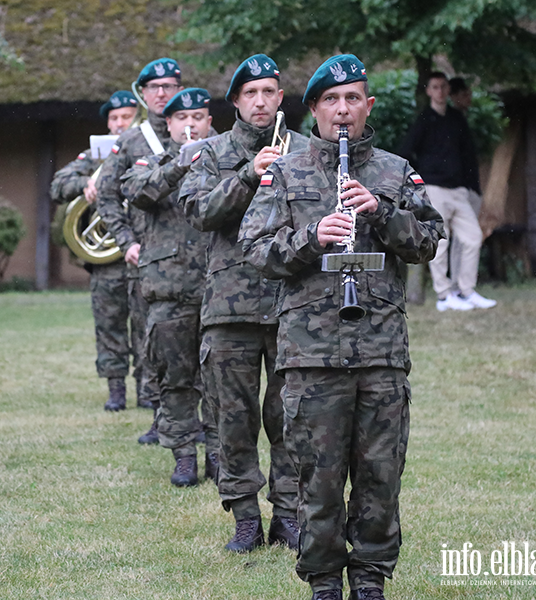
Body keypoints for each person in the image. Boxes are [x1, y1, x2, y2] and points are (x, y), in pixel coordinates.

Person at [239, 54, 444, 600]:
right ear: (314, 109)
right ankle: (325, 579)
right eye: (331, 100)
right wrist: (312, 238)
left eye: (353, 98)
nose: (343, 109)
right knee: (319, 479)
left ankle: (371, 576)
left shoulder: (396, 171)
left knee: (381, 476)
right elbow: (254, 250)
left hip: (380, 352)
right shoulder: (285, 172)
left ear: (368, 105)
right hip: (311, 356)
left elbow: (427, 240)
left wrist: (380, 212)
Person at [179, 54, 306, 552]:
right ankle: (246, 518)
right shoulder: (210, 152)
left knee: (290, 416)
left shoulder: (306, 149)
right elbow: (198, 211)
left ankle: (289, 515)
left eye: (269, 92)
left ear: (281, 98)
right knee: (232, 419)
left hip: (290, 304)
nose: (260, 101)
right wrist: (248, 175)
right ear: (235, 101)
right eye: (250, 93)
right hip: (229, 310)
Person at [120, 87, 215, 486]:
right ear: (170, 124)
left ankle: (219, 455)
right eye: (182, 119)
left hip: (218, 290)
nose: (190, 125)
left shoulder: (226, 164)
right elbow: (137, 191)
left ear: (211, 123)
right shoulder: (150, 162)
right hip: (169, 291)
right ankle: (182, 456)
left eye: (198, 118)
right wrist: (180, 164)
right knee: (174, 377)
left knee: (221, 382)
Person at [95, 58, 184, 444]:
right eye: (155, 88)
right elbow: (107, 195)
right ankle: (161, 418)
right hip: (149, 262)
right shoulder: (131, 141)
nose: (162, 94)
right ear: (143, 95)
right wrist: (126, 241)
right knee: (152, 341)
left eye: (169, 86)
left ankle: (201, 424)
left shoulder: (200, 133)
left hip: (199, 261)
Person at [49, 91, 144, 412]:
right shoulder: (94, 155)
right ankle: (116, 389)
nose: (120, 123)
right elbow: (58, 184)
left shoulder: (148, 150)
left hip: (143, 252)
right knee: (109, 325)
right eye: (114, 119)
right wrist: (85, 184)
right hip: (106, 260)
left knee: (147, 325)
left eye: (126, 117)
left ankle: (148, 389)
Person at [397, 71, 495, 311]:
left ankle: (466, 290)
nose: (440, 91)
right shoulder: (424, 119)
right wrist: (420, 182)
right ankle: (444, 295)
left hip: (458, 189)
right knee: (441, 241)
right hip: (434, 188)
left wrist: (468, 183)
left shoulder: (456, 119)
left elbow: (467, 154)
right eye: (435, 87)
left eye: (443, 87)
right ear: (429, 91)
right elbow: (406, 152)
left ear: (448, 90)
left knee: (472, 237)